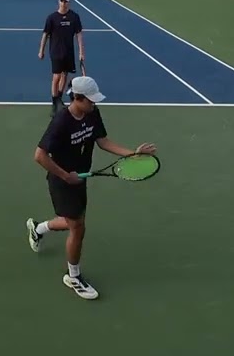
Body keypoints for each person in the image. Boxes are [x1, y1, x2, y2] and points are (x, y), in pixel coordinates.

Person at [26, 76, 156, 300]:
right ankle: (73, 276)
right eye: (91, 100)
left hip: (81, 176)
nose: (95, 104)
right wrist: (66, 176)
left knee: (72, 221)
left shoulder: (92, 113)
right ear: (77, 98)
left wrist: (132, 154)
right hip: (62, 179)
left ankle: (38, 229)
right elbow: (39, 156)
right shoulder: (61, 122)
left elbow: (103, 141)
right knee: (77, 227)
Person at [38, 0, 84, 114]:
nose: (63, 3)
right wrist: (41, 50)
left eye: (65, 1)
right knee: (56, 76)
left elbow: (79, 35)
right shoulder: (52, 18)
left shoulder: (74, 17)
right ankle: (54, 102)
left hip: (68, 52)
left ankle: (59, 98)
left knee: (65, 75)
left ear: (69, 3)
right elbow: (45, 35)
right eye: (61, 1)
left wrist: (81, 52)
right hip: (56, 51)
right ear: (58, 2)